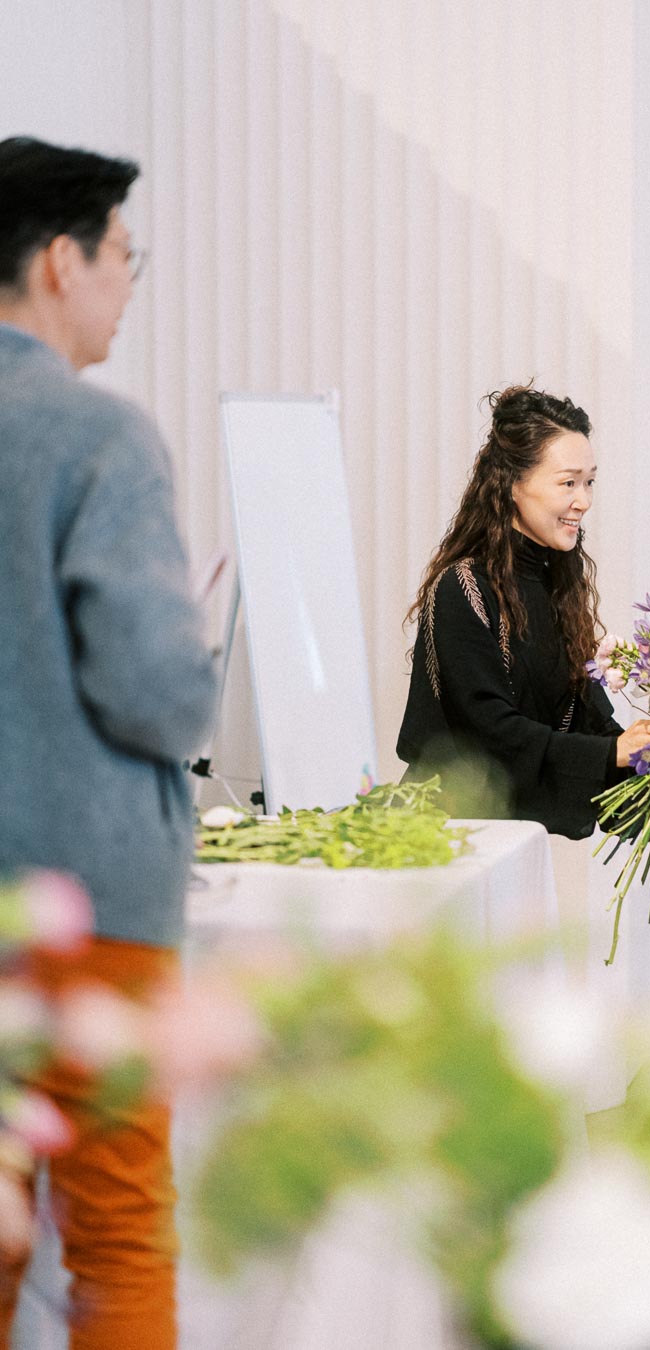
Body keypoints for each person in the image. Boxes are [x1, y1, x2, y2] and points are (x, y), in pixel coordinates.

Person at [0, 137, 216, 1348]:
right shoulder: (97, 438)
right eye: (125, 256)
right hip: (87, 906)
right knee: (119, 1231)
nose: (129, 286)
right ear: (58, 260)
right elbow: (155, 694)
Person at [397, 384, 650, 836]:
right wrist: (611, 753)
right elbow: (489, 731)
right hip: (444, 842)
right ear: (514, 484)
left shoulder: (557, 589)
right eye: (568, 483)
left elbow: (588, 718)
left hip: (512, 844)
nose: (584, 500)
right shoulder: (462, 587)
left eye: (589, 481)